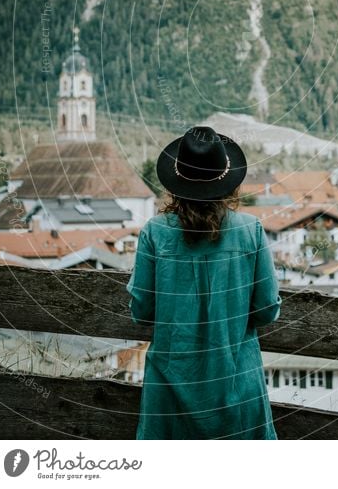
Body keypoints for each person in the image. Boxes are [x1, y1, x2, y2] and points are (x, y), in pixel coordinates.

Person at [126, 125, 282, 440]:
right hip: (236, 383)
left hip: (170, 388)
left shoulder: (155, 233)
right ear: (227, 183)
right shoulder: (250, 230)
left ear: (176, 182)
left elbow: (142, 311)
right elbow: (266, 309)